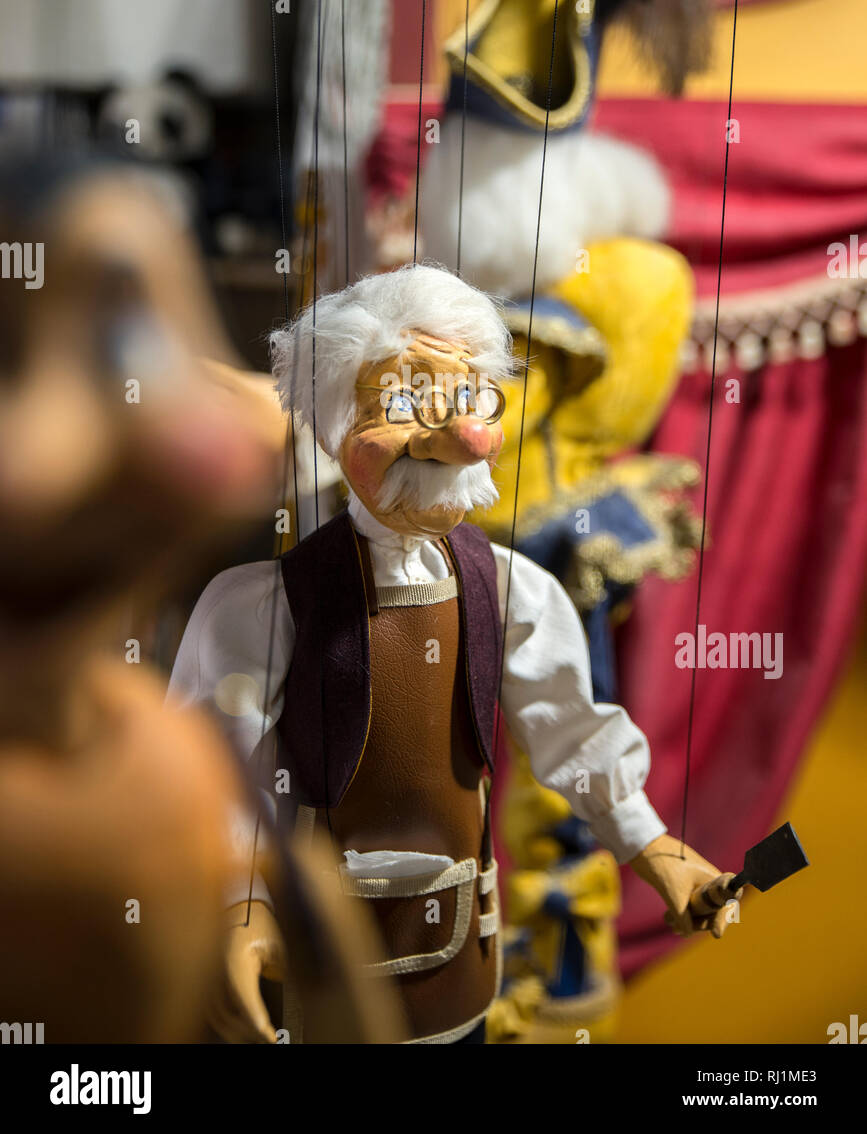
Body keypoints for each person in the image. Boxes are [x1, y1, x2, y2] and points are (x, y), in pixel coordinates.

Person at [169, 263, 739, 1045]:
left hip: (460, 967)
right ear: (337, 426)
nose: (458, 434)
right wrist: (240, 908)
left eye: (471, 398)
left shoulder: (510, 591)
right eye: (402, 404)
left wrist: (655, 847)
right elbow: (213, 781)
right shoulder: (261, 606)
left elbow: (574, 732)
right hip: (317, 968)